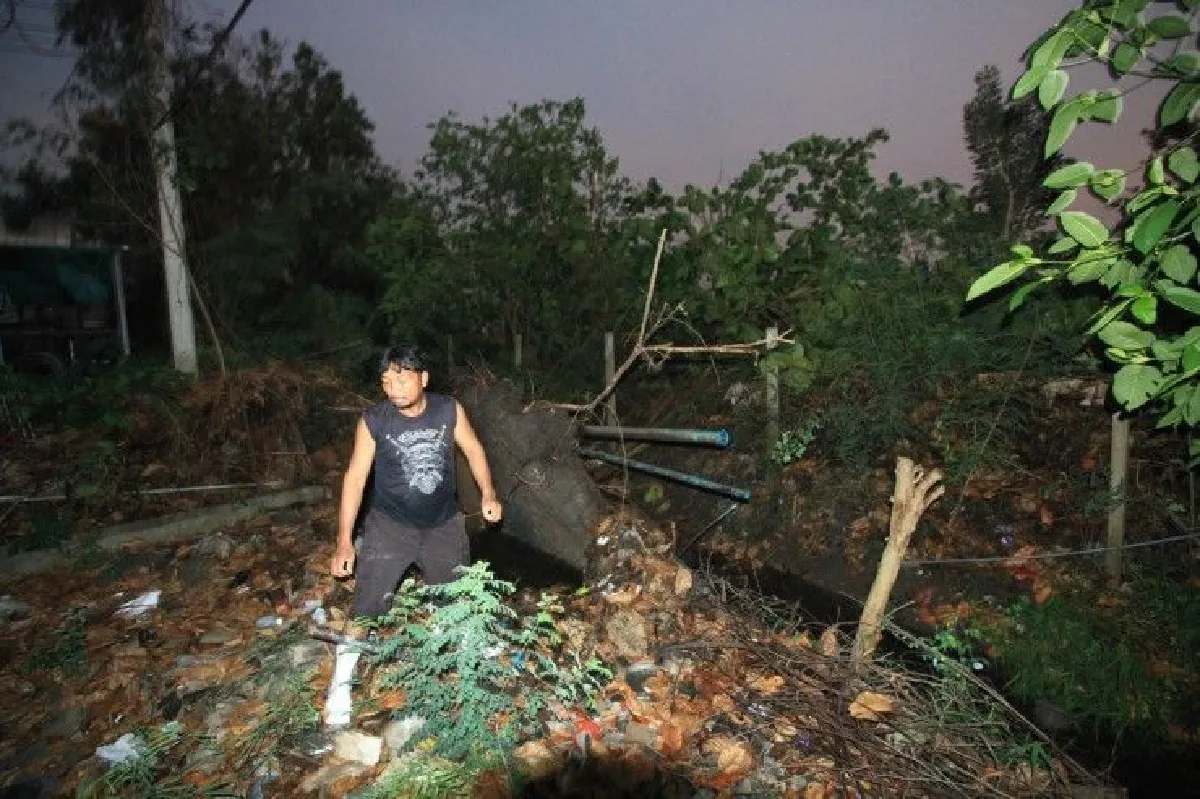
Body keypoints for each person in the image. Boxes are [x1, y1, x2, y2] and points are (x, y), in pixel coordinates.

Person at [323, 344, 503, 727]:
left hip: (443, 524)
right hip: (390, 528)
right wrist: (343, 540)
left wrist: (488, 492)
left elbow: (473, 449)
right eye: (386, 380)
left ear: (423, 378)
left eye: (402, 378)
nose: (393, 387)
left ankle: (468, 663)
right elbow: (355, 479)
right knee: (367, 606)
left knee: (458, 598)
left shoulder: (448, 410)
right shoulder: (374, 421)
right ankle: (340, 686)